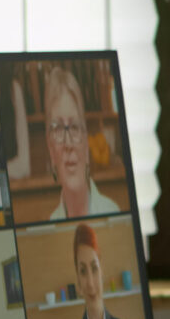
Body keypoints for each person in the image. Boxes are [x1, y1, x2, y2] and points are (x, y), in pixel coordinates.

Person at [44, 66, 120, 220]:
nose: (68, 144)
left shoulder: (113, 213)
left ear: (86, 143)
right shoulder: (51, 224)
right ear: (51, 150)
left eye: (74, 127)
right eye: (58, 129)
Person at [68, 223, 136, 319]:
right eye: (83, 271)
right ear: (78, 280)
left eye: (94, 268)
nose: (90, 283)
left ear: (101, 270)